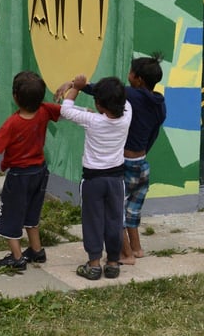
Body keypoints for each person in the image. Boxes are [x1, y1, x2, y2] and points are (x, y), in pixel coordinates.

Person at [0, 71, 62, 271]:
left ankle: (17, 258)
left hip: (19, 176)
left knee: (10, 216)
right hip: (40, 172)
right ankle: (36, 250)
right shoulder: (45, 110)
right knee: (32, 213)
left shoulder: (12, 124)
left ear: (15, 96)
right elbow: (68, 113)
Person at [82, 55, 167, 266]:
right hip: (142, 163)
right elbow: (153, 135)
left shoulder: (130, 96)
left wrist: (79, 86)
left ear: (137, 79)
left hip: (125, 165)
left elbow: (102, 92)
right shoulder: (160, 104)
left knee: (114, 210)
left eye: (130, 72)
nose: (127, 76)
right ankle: (137, 248)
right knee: (133, 209)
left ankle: (126, 254)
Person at [55, 75, 131, 281]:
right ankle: (113, 262)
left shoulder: (92, 120)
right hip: (116, 179)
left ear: (98, 104)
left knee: (93, 220)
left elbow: (65, 109)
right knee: (115, 220)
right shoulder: (127, 115)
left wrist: (76, 87)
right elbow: (120, 98)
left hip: (93, 180)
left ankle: (94, 264)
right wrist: (85, 87)